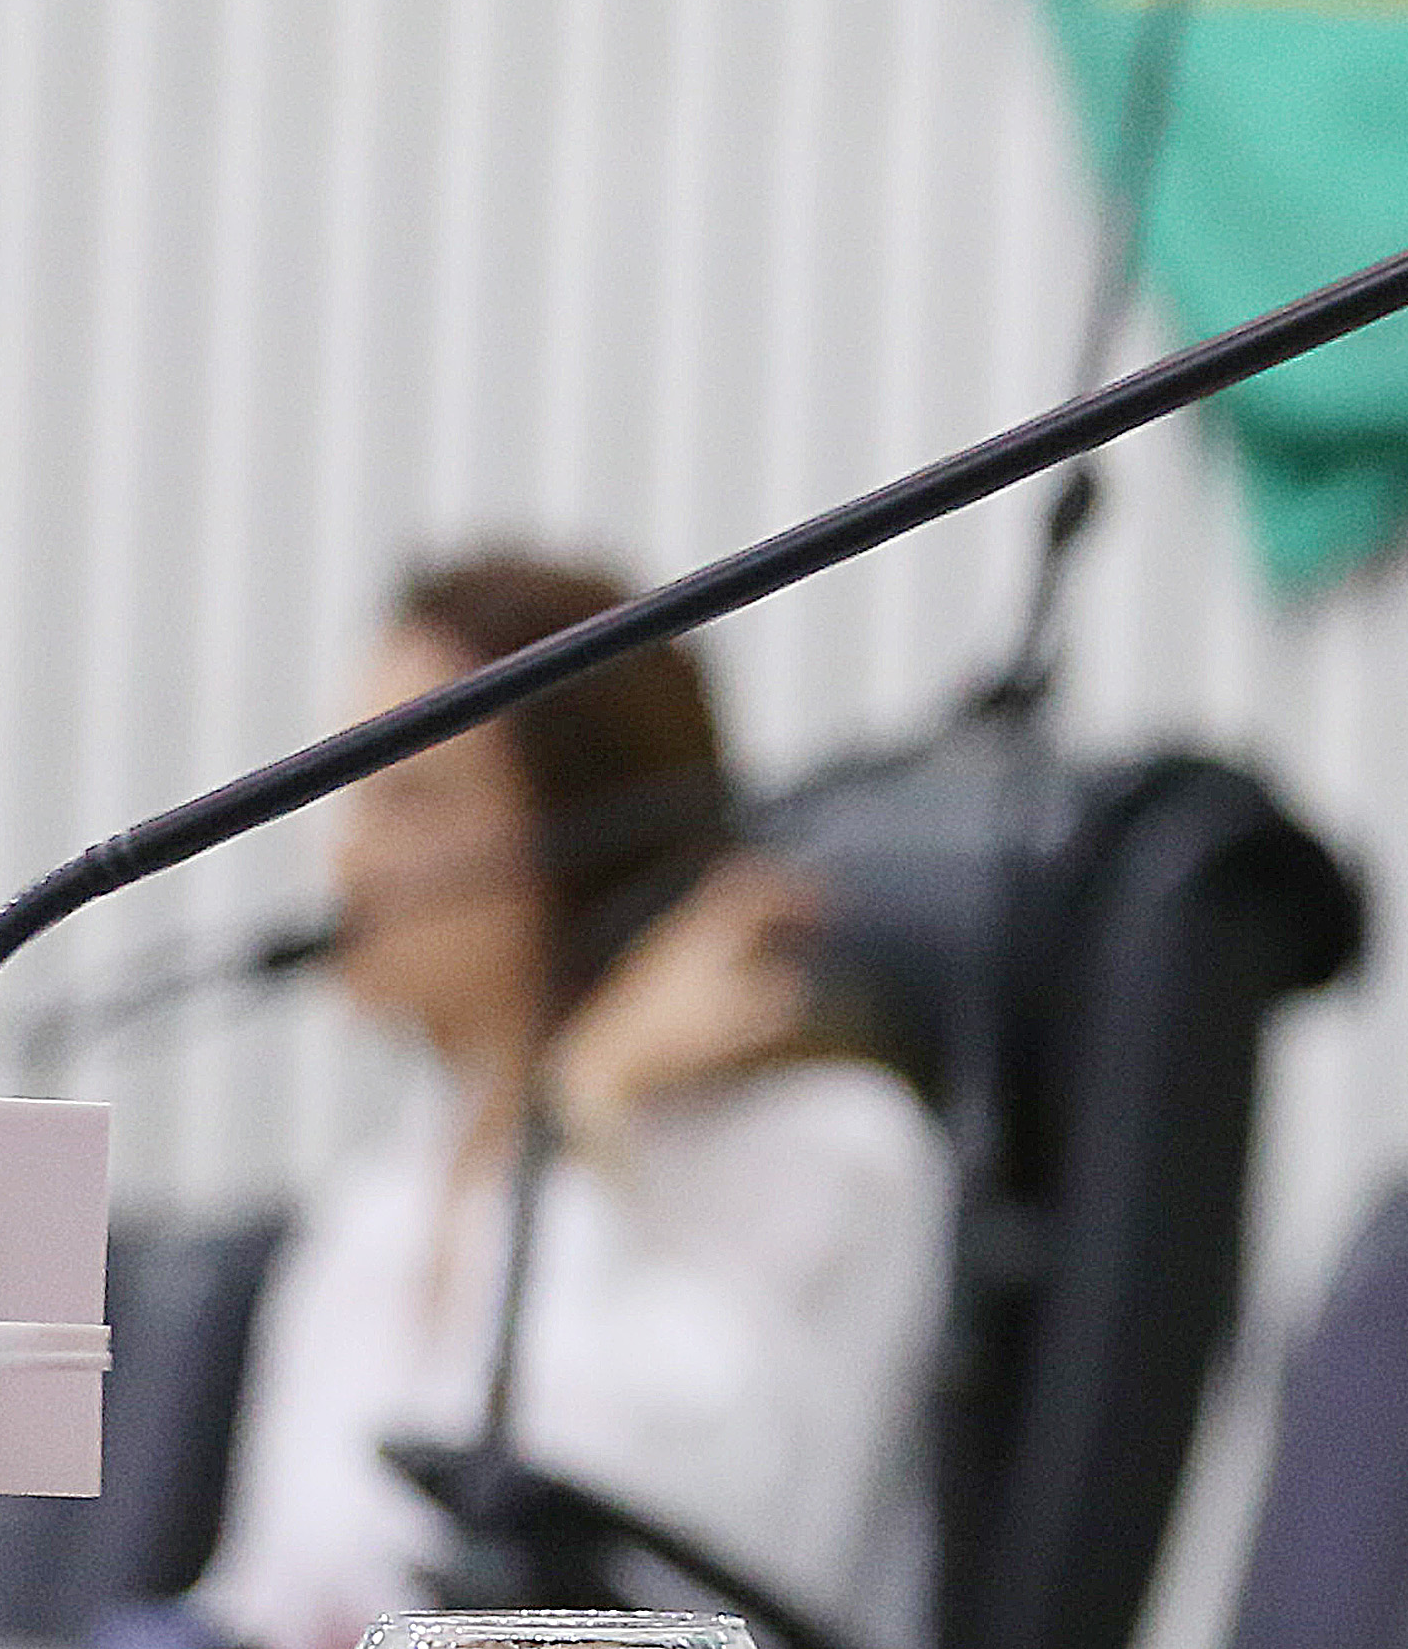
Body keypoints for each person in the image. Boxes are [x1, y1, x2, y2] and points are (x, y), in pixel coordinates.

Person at [192, 557, 950, 1649]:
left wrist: (577, 1122)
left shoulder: (829, 1153)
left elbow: (605, 1581)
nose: (351, 858)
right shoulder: (389, 1189)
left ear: (584, 832)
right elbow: (264, 1601)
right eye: (354, 795)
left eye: (414, 798)